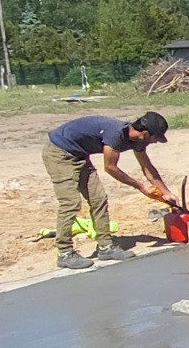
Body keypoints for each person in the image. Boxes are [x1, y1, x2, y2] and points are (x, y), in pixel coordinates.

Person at [42, 112, 171, 269]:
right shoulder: (115, 134)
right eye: (155, 138)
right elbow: (110, 168)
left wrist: (167, 193)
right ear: (144, 133)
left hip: (80, 154)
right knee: (70, 203)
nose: (155, 142)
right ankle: (64, 253)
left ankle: (105, 246)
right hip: (59, 152)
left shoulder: (138, 141)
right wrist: (140, 187)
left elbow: (147, 168)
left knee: (99, 199)